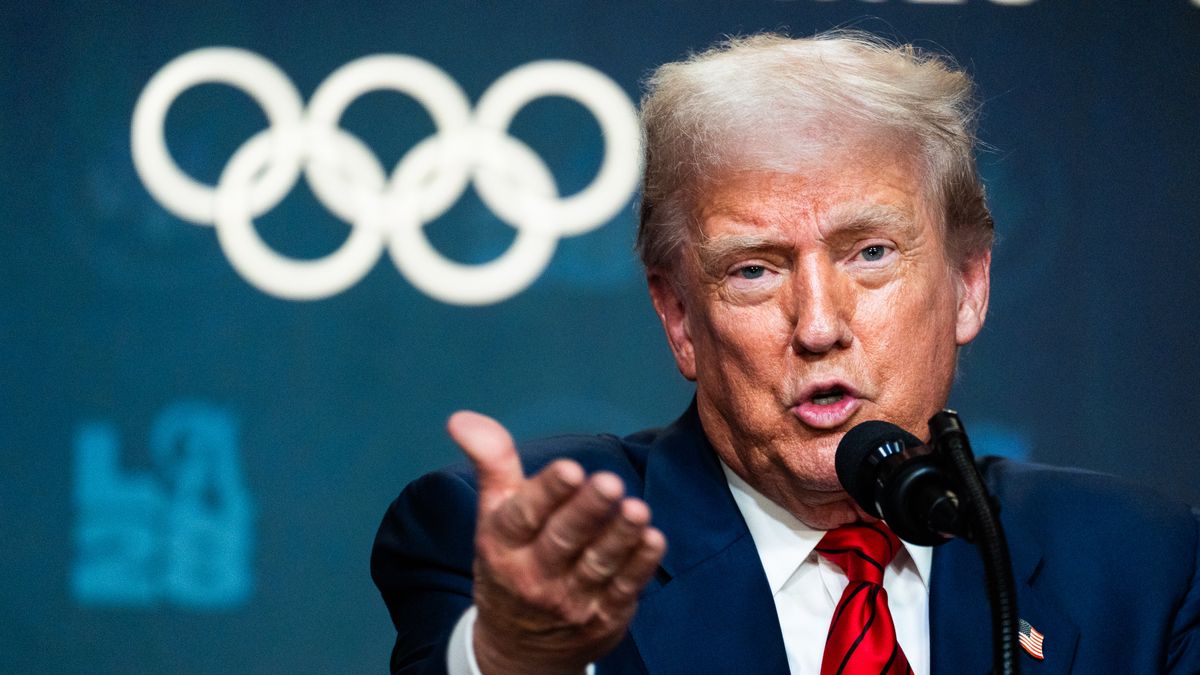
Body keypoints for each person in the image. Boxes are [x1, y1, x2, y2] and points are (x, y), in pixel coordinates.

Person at [372, 31, 1200, 674]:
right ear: (681, 319)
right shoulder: (521, 548)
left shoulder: (1138, 563)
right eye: (755, 268)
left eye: (871, 252)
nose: (817, 324)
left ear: (969, 284)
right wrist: (517, 655)